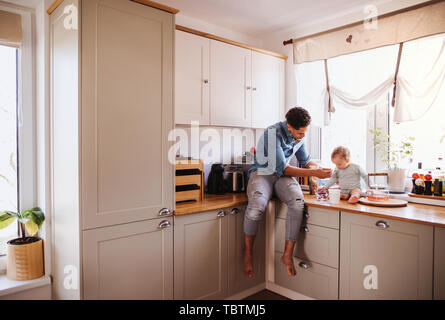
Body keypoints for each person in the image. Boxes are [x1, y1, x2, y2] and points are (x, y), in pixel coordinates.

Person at [243, 107, 332, 278]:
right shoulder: (272, 134)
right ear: (289, 126)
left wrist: (319, 169)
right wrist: (314, 173)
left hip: (282, 177)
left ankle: (287, 254)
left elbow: (306, 161)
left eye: (305, 132)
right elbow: (283, 169)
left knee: (298, 202)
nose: (303, 136)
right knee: (257, 207)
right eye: (300, 133)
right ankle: (248, 252)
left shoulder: (298, 137)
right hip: (263, 173)